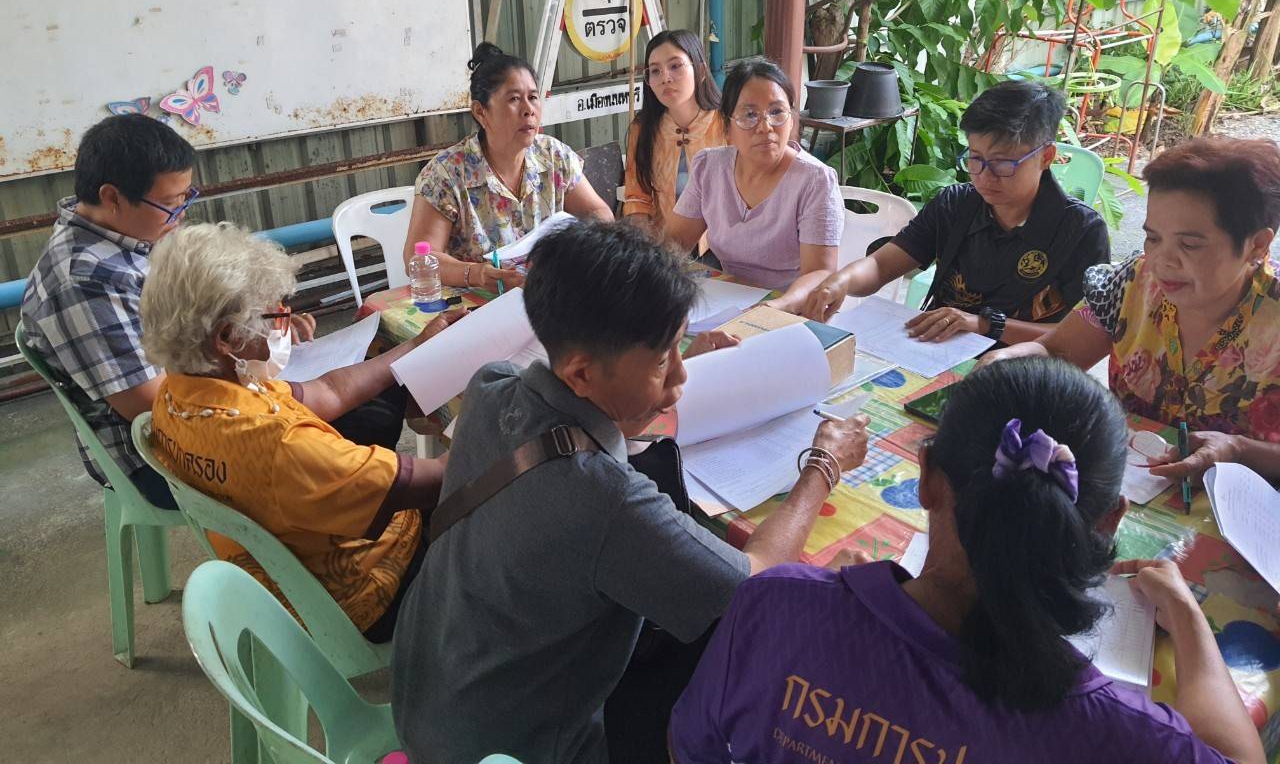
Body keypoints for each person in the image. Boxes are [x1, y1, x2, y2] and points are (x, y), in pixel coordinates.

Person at [391, 219, 869, 764]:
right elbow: (757, 583)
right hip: (512, 747)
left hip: (429, 698)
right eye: (664, 358)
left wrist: (662, 371)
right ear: (581, 373)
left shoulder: (493, 385)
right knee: (745, 661)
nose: (681, 378)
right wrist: (822, 466)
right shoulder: (605, 501)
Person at [670, 357, 1264, 764]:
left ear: (925, 478)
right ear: (1110, 522)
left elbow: (689, 748)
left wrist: (831, 598)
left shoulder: (774, 605)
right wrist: (1184, 613)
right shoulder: (1116, 733)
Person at [141, 222, 461, 641]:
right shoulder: (284, 445)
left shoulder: (179, 396)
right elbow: (442, 478)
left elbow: (327, 390)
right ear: (226, 337)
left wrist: (415, 348)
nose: (283, 325)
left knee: (377, 406)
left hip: (285, 567)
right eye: (275, 315)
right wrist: (489, 397)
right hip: (370, 594)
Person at [984, 138, 1280, 483]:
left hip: (1236, 516)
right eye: (1153, 238)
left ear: (1257, 245)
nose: (1162, 261)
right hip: (1125, 489)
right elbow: (1056, 351)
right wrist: (1009, 362)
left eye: (1189, 244)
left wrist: (1238, 450)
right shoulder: (1134, 281)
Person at [20, 115, 227, 509]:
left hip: (187, 411)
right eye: (169, 204)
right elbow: (152, 407)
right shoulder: (83, 281)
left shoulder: (131, 237)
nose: (181, 214)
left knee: (343, 407)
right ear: (112, 197)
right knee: (342, 434)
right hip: (154, 457)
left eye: (186, 198)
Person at [802, 80, 1110, 345]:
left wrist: (984, 325)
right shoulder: (956, 204)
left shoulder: (1081, 231)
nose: (985, 177)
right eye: (975, 159)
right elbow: (881, 266)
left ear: (1046, 157)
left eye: (1003, 164)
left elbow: (1079, 339)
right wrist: (841, 280)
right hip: (933, 352)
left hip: (1021, 370)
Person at [403, 42, 614, 288]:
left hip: (544, 295)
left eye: (533, 97)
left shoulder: (554, 156)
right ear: (480, 112)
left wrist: (566, 248)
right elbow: (418, 258)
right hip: (475, 304)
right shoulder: (446, 174)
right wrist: (477, 274)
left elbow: (601, 216)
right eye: (514, 99)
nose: (528, 110)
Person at [663, 60, 844, 309]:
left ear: (791, 120)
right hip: (724, 298)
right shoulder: (710, 168)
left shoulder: (815, 181)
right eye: (749, 115)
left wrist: (778, 308)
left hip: (790, 306)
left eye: (777, 112)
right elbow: (674, 242)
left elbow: (820, 272)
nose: (765, 127)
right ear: (727, 127)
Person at [623, 29, 724, 231]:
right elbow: (637, 199)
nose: (665, 78)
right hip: (664, 245)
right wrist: (644, 251)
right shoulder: (642, 128)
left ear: (701, 72)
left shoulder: (728, 123)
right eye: (655, 70)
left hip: (722, 246)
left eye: (675, 66)